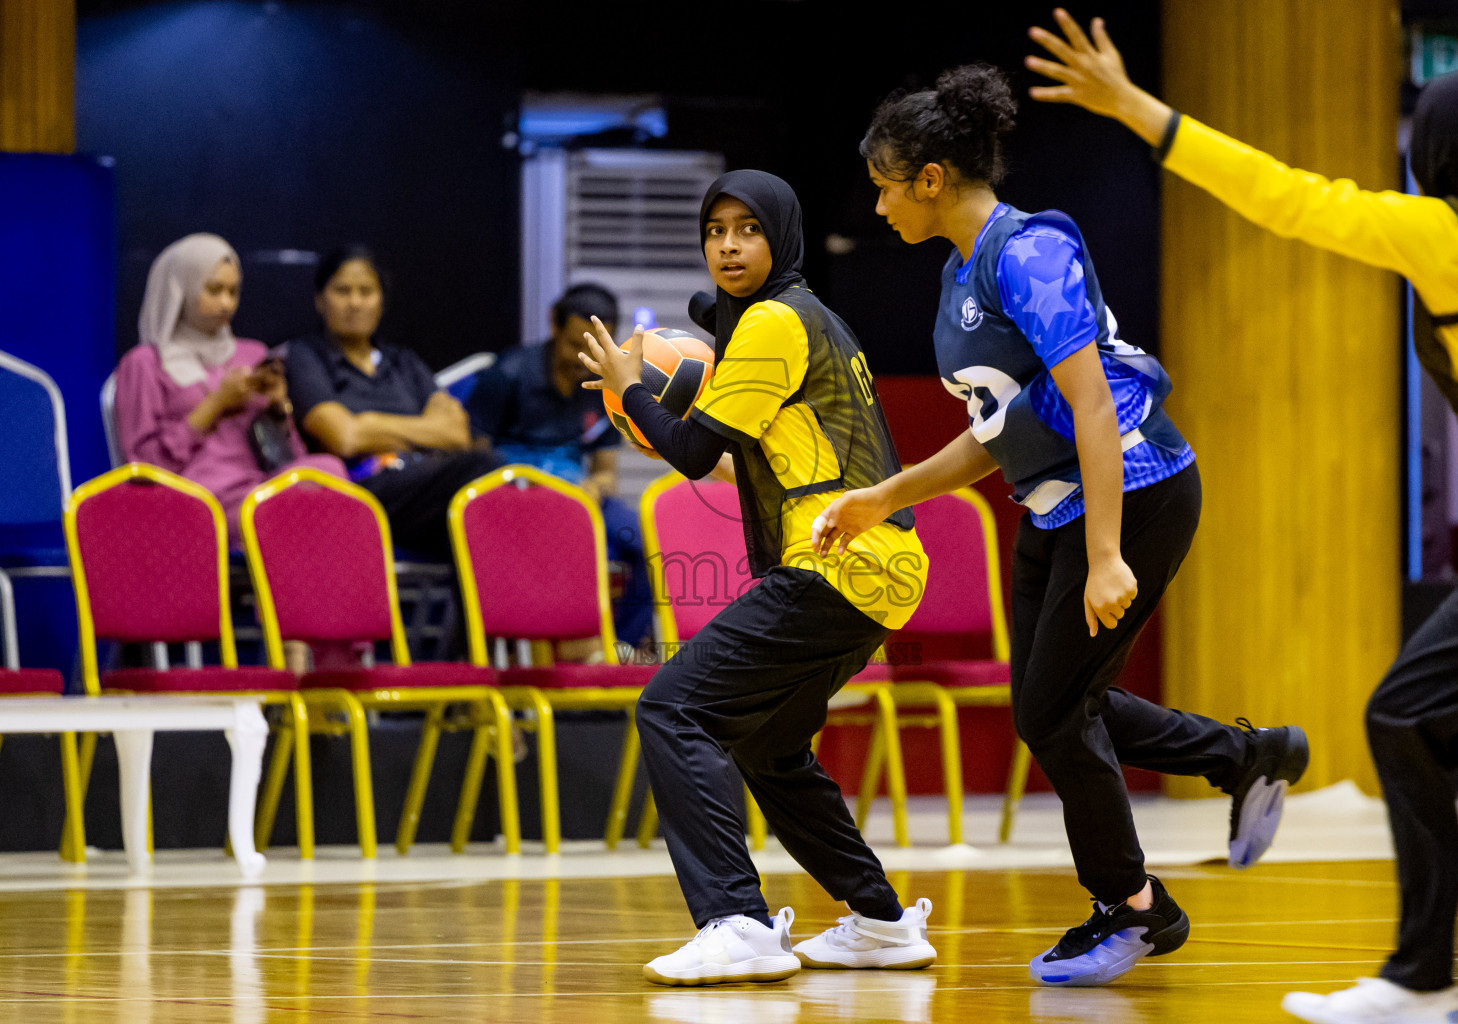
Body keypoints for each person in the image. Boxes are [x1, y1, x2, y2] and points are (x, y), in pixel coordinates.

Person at [1025, 9, 1458, 1022]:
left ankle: (1419, 979)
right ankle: (1419, 977)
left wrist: (1136, 108)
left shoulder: (1453, 237)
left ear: (1441, 155)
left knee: (1404, 718)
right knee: (1413, 723)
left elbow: (1293, 201)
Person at [813, 63, 1309, 988]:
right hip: (1052, 506)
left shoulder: (1027, 252)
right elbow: (999, 434)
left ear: (929, 177)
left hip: (1137, 488)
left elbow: (1089, 405)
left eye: (884, 185)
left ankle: (1133, 907)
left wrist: (1110, 555)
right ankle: (1251, 756)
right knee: (1056, 702)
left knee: (1049, 709)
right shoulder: (960, 272)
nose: (877, 206)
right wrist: (886, 496)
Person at [578, 170, 936, 986]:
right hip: (878, 567)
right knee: (771, 744)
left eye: (747, 229)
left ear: (781, 235)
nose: (729, 246)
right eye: (715, 231)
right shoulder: (810, 317)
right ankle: (880, 921)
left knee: (672, 705)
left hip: (836, 563)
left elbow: (695, 452)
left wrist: (627, 387)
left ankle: (734, 920)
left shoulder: (775, 322)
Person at [464, 283, 653, 649]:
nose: (582, 357)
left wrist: (595, 488)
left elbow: (605, 470)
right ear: (554, 326)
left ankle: (621, 650)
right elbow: (474, 458)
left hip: (578, 497)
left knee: (646, 542)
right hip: (515, 498)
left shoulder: (607, 385)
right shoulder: (508, 373)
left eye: (595, 347)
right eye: (574, 345)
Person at [283, 246, 505, 557]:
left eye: (366, 291)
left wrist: (369, 424)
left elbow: (456, 434)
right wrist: (425, 429)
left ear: (381, 300)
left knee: (477, 518)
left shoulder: (404, 362)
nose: (355, 302)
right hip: (362, 489)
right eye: (342, 291)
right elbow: (343, 438)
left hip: (426, 489)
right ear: (320, 300)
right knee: (484, 470)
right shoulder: (305, 357)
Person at [115, 233, 346, 529]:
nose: (226, 303)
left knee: (329, 470)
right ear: (180, 289)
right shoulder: (145, 363)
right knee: (292, 516)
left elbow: (286, 458)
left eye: (233, 292)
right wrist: (215, 403)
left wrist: (278, 408)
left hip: (263, 487)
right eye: (213, 290)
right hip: (197, 501)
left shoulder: (252, 354)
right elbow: (142, 470)